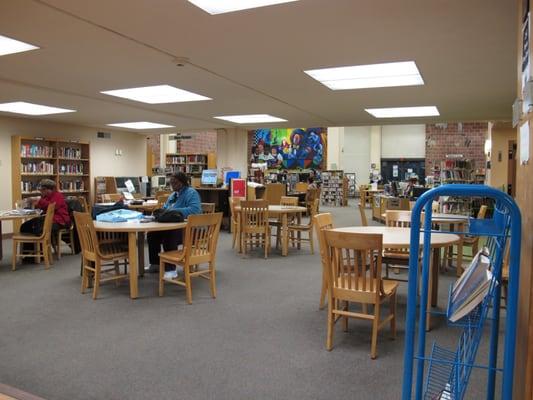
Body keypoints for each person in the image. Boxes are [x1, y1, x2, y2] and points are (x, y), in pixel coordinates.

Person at [147, 172, 202, 272]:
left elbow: (195, 210)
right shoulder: (173, 195)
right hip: (173, 226)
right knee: (152, 235)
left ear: (183, 182)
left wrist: (174, 212)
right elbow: (165, 209)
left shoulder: (191, 193)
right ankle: (155, 264)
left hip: (189, 229)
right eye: (171, 183)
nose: (172, 185)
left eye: (175, 183)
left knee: (170, 235)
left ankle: (170, 269)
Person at [20, 179, 71, 260]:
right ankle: (28, 253)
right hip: (48, 219)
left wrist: (39, 201)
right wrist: (34, 204)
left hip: (60, 221)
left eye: (43, 190)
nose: (41, 192)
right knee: (25, 226)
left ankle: (41, 253)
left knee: (38, 227)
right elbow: (44, 208)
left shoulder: (58, 196)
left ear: (49, 189)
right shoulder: (46, 196)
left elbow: (52, 206)